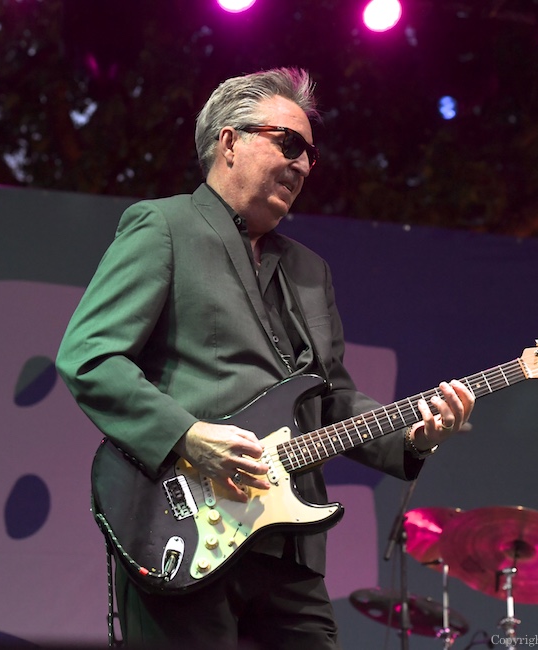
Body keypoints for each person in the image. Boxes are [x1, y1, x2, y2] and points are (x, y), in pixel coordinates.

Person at [55, 67, 475, 650]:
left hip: (289, 548)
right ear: (230, 140)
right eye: (290, 144)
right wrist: (188, 436)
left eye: (311, 154)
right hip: (183, 529)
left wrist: (415, 435)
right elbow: (91, 356)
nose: (303, 165)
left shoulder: (310, 270)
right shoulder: (165, 226)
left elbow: (333, 400)